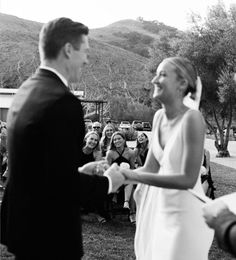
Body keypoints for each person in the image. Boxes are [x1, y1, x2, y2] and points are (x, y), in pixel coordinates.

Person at [0, 17, 124, 260]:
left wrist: (77, 169)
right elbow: (62, 186)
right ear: (68, 49)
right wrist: (110, 182)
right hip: (51, 235)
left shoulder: (26, 91)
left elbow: (39, 168)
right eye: (85, 51)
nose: (87, 60)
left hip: (24, 228)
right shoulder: (63, 103)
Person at [121, 56, 214, 259]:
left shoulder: (192, 119)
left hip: (184, 216)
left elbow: (188, 179)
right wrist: (118, 174)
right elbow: (149, 169)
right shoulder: (159, 117)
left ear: (182, 83)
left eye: (162, 75)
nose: (154, 80)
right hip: (161, 211)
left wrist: (134, 177)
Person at [106, 131, 136, 222]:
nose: (116, 141)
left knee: (130, 182)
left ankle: (131, 212)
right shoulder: (110, 153)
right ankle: (118, 200)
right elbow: (107, 169)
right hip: (113, 177)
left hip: (126, 177)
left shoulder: (130, 152)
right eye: (114, 139)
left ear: (124, 140)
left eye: (119, 139)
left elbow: (132, 167)